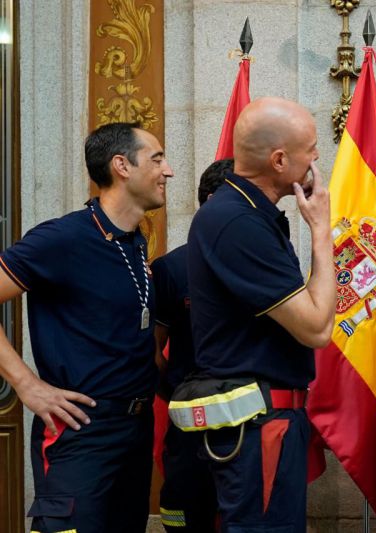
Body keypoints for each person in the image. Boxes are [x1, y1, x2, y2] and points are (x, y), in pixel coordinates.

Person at [0, 122, 174, 532]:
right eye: (157, 159)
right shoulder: (63, 238)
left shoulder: (134, 243)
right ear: (121, 166)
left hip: (135, 428)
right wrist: (25, 384)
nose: (168, 171)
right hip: (81, 430)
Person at [186, 97, 335, 531]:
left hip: (267, 422)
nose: (317, 156)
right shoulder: (237, 221)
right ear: (280, 160)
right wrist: (322, 231)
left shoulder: (250, 212)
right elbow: (316, 328)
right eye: (310, 147)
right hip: (257, 427)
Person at [153, 158, 231, 532]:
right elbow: (152, 349)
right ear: (214, 201)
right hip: (189, 428)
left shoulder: (265, 264)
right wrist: (179, 389)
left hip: (249, 424)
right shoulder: (171, 268)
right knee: (182, 516)